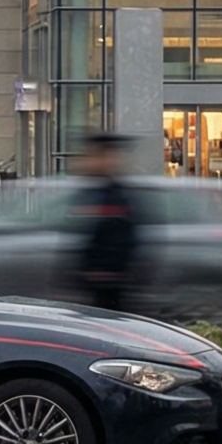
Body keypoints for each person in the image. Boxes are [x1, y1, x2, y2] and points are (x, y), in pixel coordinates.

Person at [68, 131, 144, 313]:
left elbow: (122, 238)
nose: (87, 161)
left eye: (94, 155)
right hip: (95, 284)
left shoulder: (115, 196)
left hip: (107, 286)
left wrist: (103, 272)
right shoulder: (93, 192)